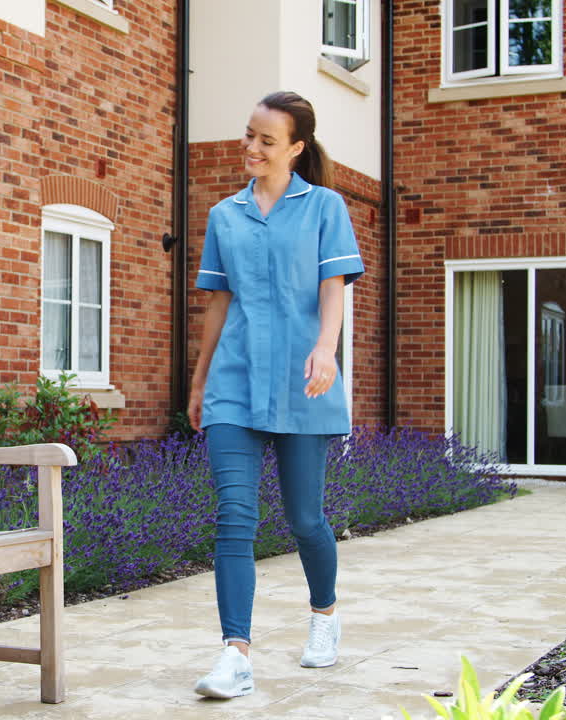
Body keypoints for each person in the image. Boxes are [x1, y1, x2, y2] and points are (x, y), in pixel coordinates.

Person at [187, 91, 365, 700]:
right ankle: (235, 654)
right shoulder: (224, 216)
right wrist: (199, 379)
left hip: (302, 380)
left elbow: (334, 285)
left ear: (295, 147)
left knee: (305, 519)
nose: (252, 148)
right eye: (249, 135)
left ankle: (325, 615)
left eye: (267, 140)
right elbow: (219, 302)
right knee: (234, 516)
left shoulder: (324, 207)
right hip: (233, 384)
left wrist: (326, 348)